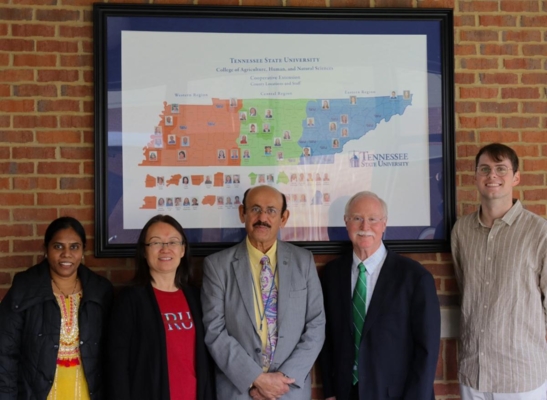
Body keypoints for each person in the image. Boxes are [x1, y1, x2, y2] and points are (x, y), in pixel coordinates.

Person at [202, 185, 325, 400]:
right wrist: (256, 378)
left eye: (271, 211)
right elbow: (215, 330)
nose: (262, 217)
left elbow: (316, 325)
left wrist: (282, 381)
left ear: (283, 218)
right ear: (243, 213)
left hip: (289, 390)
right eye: (255, 209)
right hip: (239, 390)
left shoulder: (303, 261)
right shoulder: (217, 265)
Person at [320, 191, 440, 399]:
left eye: (373, 219)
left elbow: (427, 351)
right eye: (357, 218)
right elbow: (326, 338)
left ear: (384, 224)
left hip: (396, 394)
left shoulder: (415, 278)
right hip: (345, 392)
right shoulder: (331, 275)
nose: (365, 227)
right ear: (346, 223)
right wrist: (330, 391)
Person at [451, 143, 547, 399]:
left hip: (521, 375)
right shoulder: (461, 231)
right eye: (485, 169)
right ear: (476, 177)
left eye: (500, 169)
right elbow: (466, 287)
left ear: (516, 177)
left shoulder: (539, 232)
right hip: (474, 372)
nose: (492, 175)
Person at [0, 217, 113, 399]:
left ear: (83, 250)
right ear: (46, 250)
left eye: (74, 247)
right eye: (58, 246)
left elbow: (113, 353)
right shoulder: (25, 287)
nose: (66, 254)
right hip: (37, 393)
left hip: (88, 391)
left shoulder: (100, 291)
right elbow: (5, 352)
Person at [107, 215, 214, 400]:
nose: (165, 249)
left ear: (182, 250)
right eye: (156, 243)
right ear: (144, 251)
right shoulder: (129, 301)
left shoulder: (197, 298)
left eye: (173, 242)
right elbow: (117, 367)